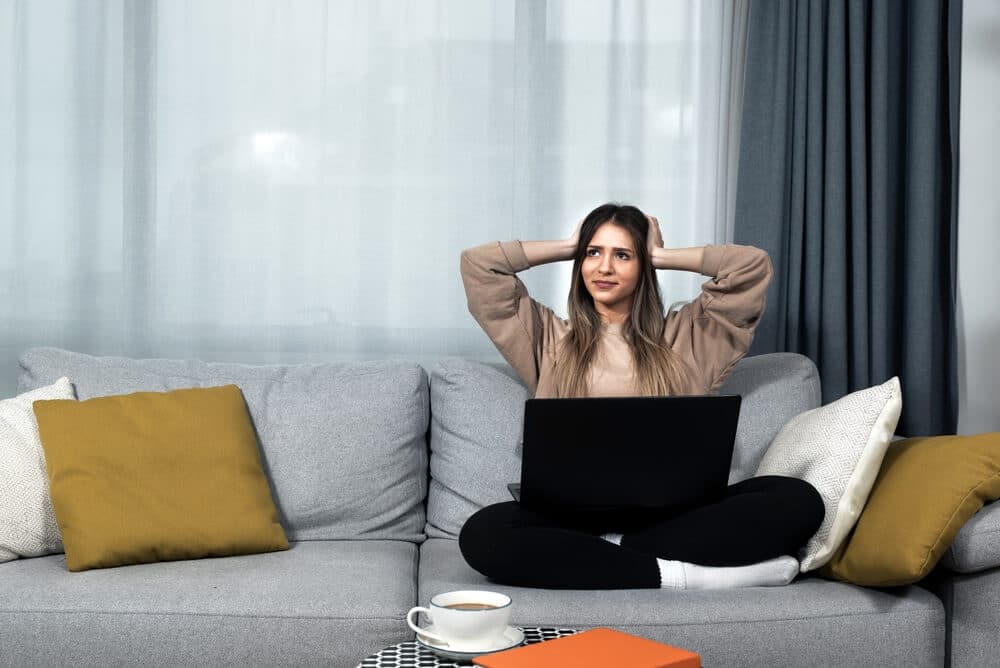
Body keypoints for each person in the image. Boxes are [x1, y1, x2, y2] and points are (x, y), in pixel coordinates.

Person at [457, 203, 824, 590]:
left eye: (623, 255)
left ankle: (605, 551)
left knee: (799, 499)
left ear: (643, 266)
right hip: (569, 516)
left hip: (672, 517)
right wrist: (569, 244)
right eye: (593, 253)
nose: (604, 267)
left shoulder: (692, 338)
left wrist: (660, 256)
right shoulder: (547, 339)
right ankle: (683, 575)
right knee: (483, 533)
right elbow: (479, 266)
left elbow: (750, 267)